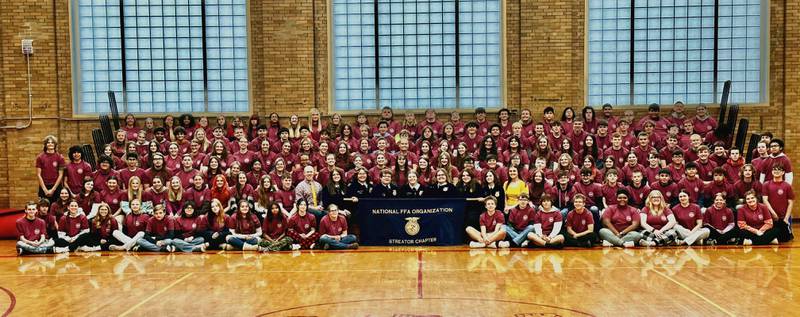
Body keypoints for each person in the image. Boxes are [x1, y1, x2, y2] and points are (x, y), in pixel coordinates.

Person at [762, 164, 794, 242]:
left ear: (783, 172)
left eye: (779, 169)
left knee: (785, 239)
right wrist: (773, 213)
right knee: (769, 235)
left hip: (783, 218)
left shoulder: (787, 186)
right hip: (770, 218)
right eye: (774, 169)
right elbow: (765, 200)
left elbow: (791, 202)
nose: (776, 171)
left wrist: (786, 218)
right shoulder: (766, 184)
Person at [36, 135, 66, 201]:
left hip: (56, 186)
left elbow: (61, 175)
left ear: (55, 144)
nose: (50, 144)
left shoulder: (60, 157)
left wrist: (53, 189)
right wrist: (44, 189)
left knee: (56, 208)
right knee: (44, 209)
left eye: (52, 142)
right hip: (44, 186)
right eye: (48, 142)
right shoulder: (40, 157)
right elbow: (38, 174)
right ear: (45, 144)